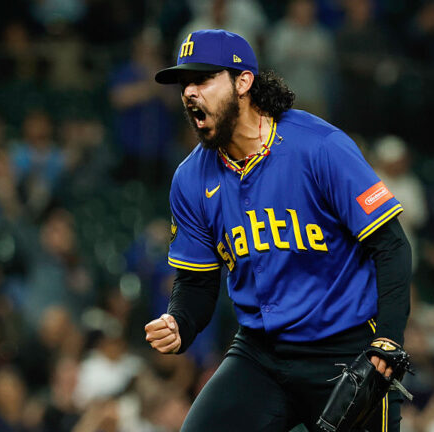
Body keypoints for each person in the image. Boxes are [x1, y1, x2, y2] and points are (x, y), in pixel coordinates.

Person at [144, 29, 412, 431]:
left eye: (203, 79)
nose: (189, 92)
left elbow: (391, 246)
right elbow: (197, 284)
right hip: (260, 354)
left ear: (243, 81)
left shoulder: (319, 146)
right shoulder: (190, 179)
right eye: (185, 83)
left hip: (343, 347)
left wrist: (388, 340)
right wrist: (180, 322)